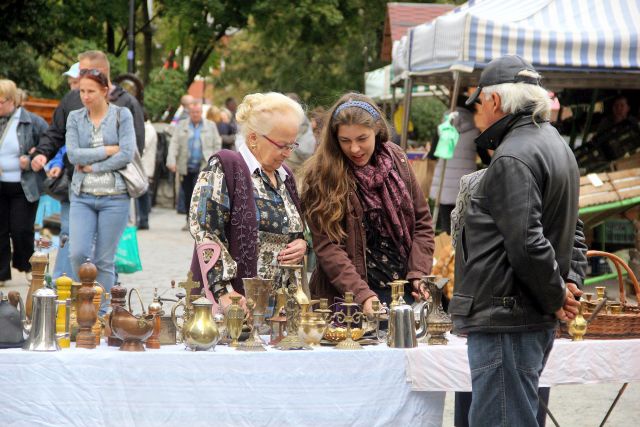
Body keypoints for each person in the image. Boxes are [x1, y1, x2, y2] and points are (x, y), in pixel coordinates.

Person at [449, 55, 587, 427]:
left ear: (495, 101)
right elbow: (572, 227)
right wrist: (567, 284)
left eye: (478, 102)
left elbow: (527, 244)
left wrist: (559, 294)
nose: (477, 112)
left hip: (507, 319)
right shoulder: (554, 143)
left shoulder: (514, 154)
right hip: (521, 317)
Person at [301, 93, 435, 312]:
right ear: (335, 139)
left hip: (401, 291)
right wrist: (362, 295)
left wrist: (418, 274)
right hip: (345, 298)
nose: (354, 149)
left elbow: (422, 222)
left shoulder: (397, 159)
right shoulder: (322, 174)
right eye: (345, 141)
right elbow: (327, 246)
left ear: (377, 131)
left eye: (362, 139)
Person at [188, 92, 307, 309]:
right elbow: (206, 232)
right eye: (282, 145)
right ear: (253, 138)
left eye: (292, 145)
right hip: (236, 304)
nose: (288, 153)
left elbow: (296, 228)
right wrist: (224, 292)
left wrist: (301, 243)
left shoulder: (285, 176)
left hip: (279, 306)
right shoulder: (225, 166)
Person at [66, 68, 136, 312]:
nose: (85, 96)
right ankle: (84, 304)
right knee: (78, 253)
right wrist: (107, 150)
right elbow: (73, 154)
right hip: (82, 196)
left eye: (91, 91)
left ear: (105, 91)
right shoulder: (75, 117)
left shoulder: (122, 115)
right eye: (82, 91)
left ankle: (102, 312)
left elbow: (126, 154)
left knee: (105, 261)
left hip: (115, 198)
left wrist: (93, 168)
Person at [0, 79, 48, 287]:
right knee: (0, 230)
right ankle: (1, 273)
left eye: (0, 101)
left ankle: (27, 265)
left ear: (12, 100)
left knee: (21, 228)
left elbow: (48, 145)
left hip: (23, 186)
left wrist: (31, 159)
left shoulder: (32, 121)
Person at [429, 95, 481, 234]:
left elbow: (432, 155)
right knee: (464, 228)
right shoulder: (475, 132)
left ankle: (447, 253)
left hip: (444, 184)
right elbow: (485, 158)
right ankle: (459, 255)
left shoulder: (442, 129)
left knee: (447, 228)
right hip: (466, 186)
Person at [166, 101, 221, 230]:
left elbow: (217, 144)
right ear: (189, 113)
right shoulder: (181, 125)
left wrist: (216, 163)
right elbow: (174, 143)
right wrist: (171, 160)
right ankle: (188, 219)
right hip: (186, 166)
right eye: (193, 112)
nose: (195, 114)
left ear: (201, 113)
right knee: (188, 193)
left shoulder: (211, 126)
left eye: (198, 112)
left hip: (203, 166)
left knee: (201, 194)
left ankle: (200, 221)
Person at [137, 113, 158, 230]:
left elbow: (142, 146)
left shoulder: (148, 129)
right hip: (140, 166)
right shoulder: (145, 128)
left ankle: (144, 220)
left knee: (144, 193)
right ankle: (141, 219)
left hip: (145, 166)